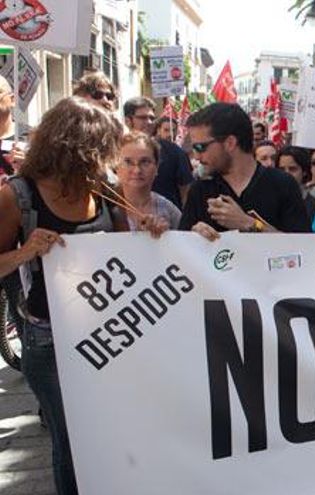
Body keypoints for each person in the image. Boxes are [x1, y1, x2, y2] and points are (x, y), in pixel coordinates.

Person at [0, 97, 167, 495]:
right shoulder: (17, 195)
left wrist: (150, 232)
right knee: (72, 443)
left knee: (112, 432)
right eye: (104, 149)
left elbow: (128, 255)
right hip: (49, 340)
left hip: (110, 335)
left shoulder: (103, 188)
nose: (109, 160)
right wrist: (25, 251)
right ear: (77, 147)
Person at [180, 102, 310, 238]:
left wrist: (249, 223)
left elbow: (301, 245)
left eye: (200, 147)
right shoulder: (200, 190)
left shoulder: (282, 184)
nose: (196, 156)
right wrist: (194, 237)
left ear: (230, 143)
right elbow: (181, 246)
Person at [123, 97, 194, 209]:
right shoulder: (116, 151)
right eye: (142, 118)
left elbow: (186, 191)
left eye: (152, 118)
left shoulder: (174, 152)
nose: (149, 122)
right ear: (128, 121)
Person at [116, 132, 182, 230]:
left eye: (144, 162)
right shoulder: (106, 211)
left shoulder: (168, 210)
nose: (137, 170)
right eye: (128, 162)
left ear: (157, 167)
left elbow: (186, 235)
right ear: (117, 167)